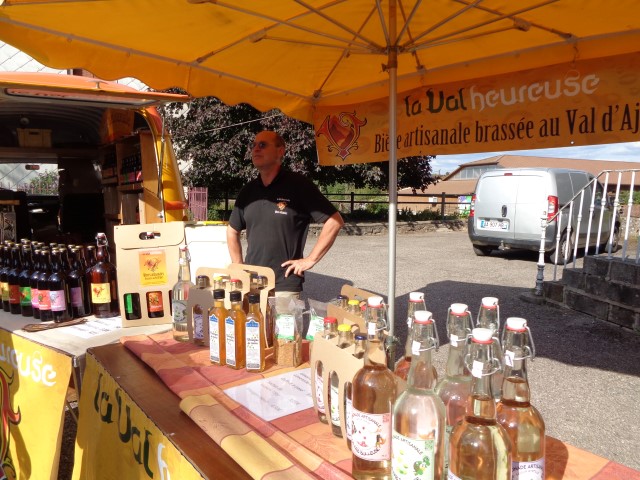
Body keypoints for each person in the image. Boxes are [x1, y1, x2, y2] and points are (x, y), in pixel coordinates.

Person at [227, 130, 344, 298]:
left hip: (284, 285)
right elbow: (232, 230)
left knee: (284, 318)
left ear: (280, 151)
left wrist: (310, 259)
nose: (256, 149)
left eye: (262, 145)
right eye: (254, 145)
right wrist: (238, 267)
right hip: (251, 283)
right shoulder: (248, 191)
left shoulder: (298, 185)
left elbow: (335, 221)